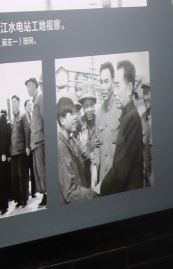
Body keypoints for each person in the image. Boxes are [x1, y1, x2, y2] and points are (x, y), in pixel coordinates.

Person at [98, 61, 145, 195]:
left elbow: (120, 172)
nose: (115, 92)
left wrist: (101, 188)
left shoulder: (132, 119)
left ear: (129, 88)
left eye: (118, 86)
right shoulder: (127, 116)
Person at [57, 97, 95, 203]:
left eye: (76, 113)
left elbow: (80, 173)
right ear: (62, 120)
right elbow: (71, 193)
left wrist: (84, 156)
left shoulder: (71, 141)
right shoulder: (62, 148)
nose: (76, 117)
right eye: (72, 114)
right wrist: (93, 193)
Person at [93, 60, 119, 188]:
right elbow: (97, 146)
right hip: (102, 182)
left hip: (118, 182)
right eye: (101, 82)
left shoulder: (122, 109)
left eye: (106, 81)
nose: (103, 87)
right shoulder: (98, 114)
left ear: (113, 82)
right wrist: (94, 168)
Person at [24, 76, 45, 206]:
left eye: (29, 86)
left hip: (41, 141)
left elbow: (44, 118)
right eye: (27, 86)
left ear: (35, 86)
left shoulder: (40, 97)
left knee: (42, 170)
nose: (28, 89)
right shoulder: (35, 99)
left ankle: (48, 196)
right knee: (38, 172)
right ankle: (45, 195)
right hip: (35, 142)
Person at [8, 94, 29, 208]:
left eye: (15, 102)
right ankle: (18, 199)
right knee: (15, 177)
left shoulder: (23, 115)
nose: (13, 104)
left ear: (19, 103)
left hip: (21, 151)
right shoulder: (11, 119)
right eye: (12, 103)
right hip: (13, 152)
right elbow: (11, 136)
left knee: (22, 176)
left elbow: (27, 130)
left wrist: (27, 146)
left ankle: (24, 198)